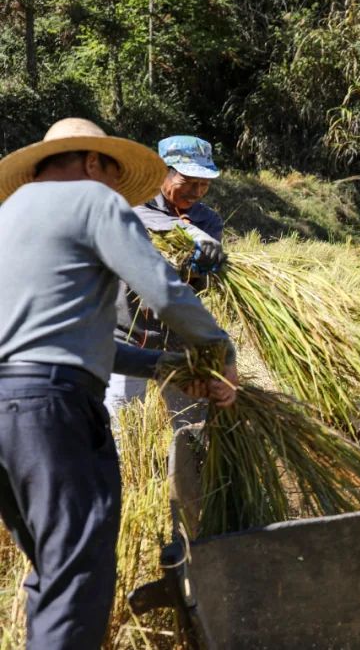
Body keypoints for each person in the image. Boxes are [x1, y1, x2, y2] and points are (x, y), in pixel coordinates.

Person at [0, 118, 239, 649]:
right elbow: (165, 294)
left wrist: (165, 368)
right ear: (91, 162)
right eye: (114, 175)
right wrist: (219, 349)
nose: (118, 190)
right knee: (79, 572)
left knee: (51, 564)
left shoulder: (9, 215)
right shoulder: (92, 200)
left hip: (10, 411)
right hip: (51, 409)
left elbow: (64, 339)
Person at [106, 135, 226, 429]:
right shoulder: (131, 205)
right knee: (121, 425)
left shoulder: (208, 221)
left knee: (191, 427)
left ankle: (186, 472)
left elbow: (208, 283)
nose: (197, 191)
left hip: (179, 338)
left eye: (204, 184)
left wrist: (200, 272)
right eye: (188, 181)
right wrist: (192, 237)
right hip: (126, 333)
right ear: (164, 171)